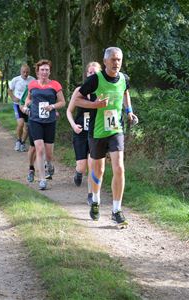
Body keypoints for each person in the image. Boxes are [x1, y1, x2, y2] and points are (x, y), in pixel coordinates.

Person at [73, 47, 138, 226]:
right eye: (113, 60)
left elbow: (125, 92)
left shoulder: (124, 78)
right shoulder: (95, 79)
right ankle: (95, 200)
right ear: (105, 61)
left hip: (116, 129)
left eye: (119, 60)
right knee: (98, 170)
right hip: (97, 131)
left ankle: (116, 210)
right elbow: (77, 99)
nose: (117, 63)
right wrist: (95, 105)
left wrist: (129, 111)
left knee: (119, 168)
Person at [21, 59, 66, 190]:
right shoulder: (32, 85)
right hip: (35, 120)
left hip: (49, 121)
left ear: (50, 71)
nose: (44, 72)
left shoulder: (55, 85)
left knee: (49, 153)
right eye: (42, 70)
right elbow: (28, 98)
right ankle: (41, 179)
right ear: (37, 72)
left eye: (47, 70)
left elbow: (62, 102)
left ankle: (50, 164)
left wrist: (52, 106)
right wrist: (26, 105)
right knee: (39, 149)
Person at [67, 62, 101, 205]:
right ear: (86, 74)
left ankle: (90, 194)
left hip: (95, 132)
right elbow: (69, 111)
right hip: (80, 132)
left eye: (95, 73)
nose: (92, 75)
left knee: (92, 165)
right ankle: (78, 173)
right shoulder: (79, 91)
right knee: (82, 166)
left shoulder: (100, 91)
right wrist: (74, 125)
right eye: (90, 72)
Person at [9, 64, 35, 152]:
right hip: (17, 104)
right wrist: (13, 98)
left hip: (27, 105)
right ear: (21, 72)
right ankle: (18, 141)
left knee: (27, 126)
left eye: (27, 72)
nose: (25, 73)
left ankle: (23, 143)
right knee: (20, 123)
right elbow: (10, 89)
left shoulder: (33, 80)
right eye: (23, 72)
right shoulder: (15, 80)